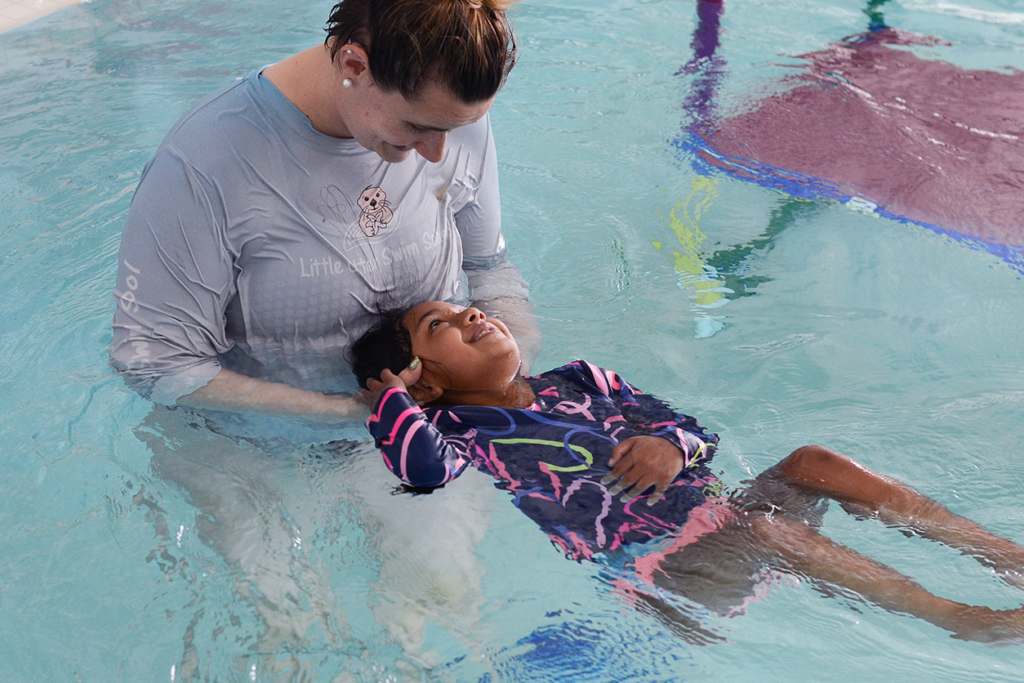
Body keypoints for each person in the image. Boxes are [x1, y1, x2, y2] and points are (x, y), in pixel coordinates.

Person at [352, 300, 1024, 643]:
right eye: (440, 325)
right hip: (670, 577)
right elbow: (419, 470)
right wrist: (393, 393)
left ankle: (1002, 554)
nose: (472, 312)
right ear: (426, 382)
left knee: (812, 463)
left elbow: (695, 431)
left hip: (729, 516)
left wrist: (672, 447)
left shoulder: (580, 378)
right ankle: (956, 617)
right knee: (763, 532)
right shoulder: (458, 432)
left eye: (466, 303)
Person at [109, 0, 539, 421]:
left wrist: (512, 383)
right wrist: (343, 413)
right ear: (353, 66)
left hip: (438, 420)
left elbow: (487, 268)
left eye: (454, 128)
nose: (437, 152)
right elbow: (156, 365)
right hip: (256, 449)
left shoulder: (446, 108)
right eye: (417, 127)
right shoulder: (203, 165)